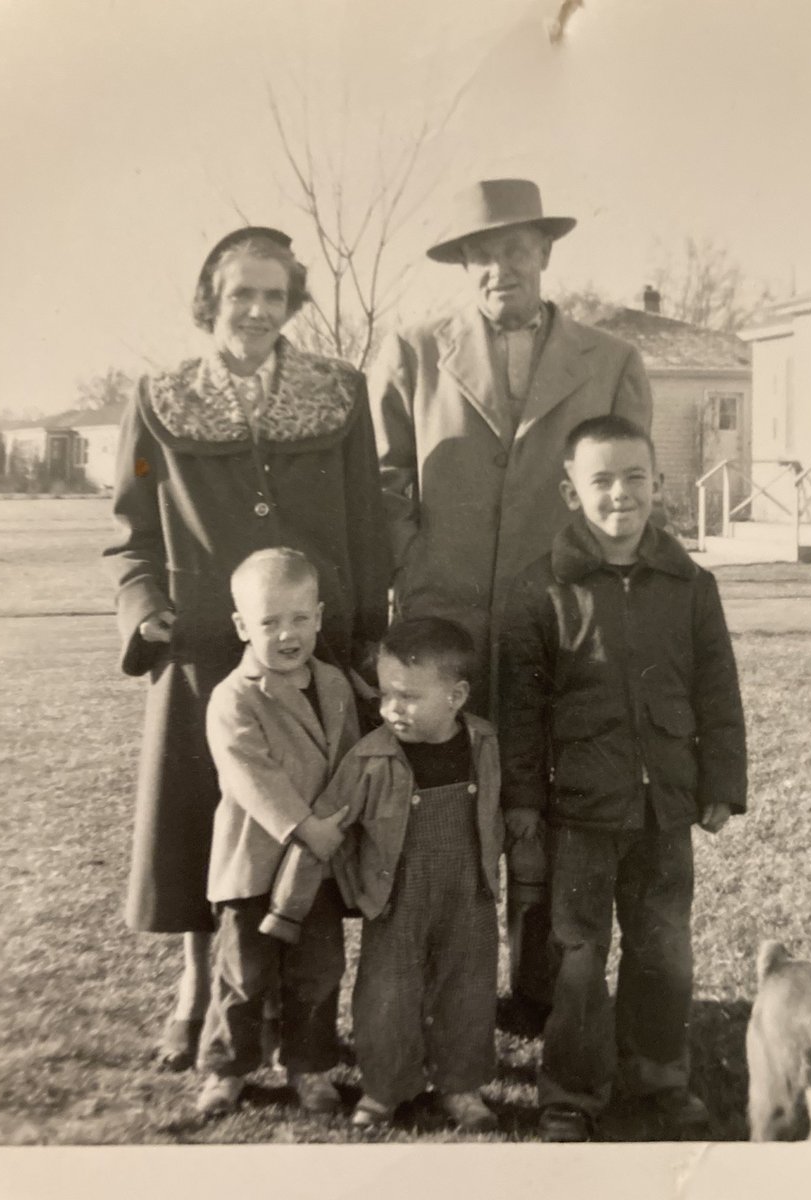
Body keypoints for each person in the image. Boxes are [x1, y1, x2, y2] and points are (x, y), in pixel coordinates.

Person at [369, 177, 653, 1028]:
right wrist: (417, 566)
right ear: (465, 265)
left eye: (517, 250)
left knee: (549, 798)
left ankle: (538, 988)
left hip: (564, 626)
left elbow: (631, 494)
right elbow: (381, 481)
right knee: (440, 805)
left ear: (547, 254)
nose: (502, 268)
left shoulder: (611, 360)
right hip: (441, 624)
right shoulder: (413, 351)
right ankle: (433, 985)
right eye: (483, 254)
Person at [103, 227, 389, 1071]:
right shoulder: (160, 398)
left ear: (292, 302)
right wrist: (144, 607)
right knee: (202, 830)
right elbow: (129, 533)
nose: (258, 311)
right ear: (209, 303)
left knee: (307, 819)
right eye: (240, 296)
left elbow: (367, 521)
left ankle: (297, 1007)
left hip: (313, 649)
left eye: (274, 295)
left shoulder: (337, 393)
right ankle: (197, 993)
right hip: (202, 648)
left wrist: (366, 631)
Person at [498, 414, 747, 1142]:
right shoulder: (540, 588)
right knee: (577, 954)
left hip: (667, 806)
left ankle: (659, 1076)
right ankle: (571, 1091)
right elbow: (520, 709)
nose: (620, 495)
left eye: (634, 477)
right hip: (580, 811)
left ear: (658, 485)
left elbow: (718, 690)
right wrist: (523, 803)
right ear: (572, 492)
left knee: (664, 945)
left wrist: (720, 782)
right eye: (600, 480)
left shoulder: (690, 582)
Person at [264, 617, 504, 1132]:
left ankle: (460, 1088)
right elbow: (321, 832)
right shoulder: (371, 758)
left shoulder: (485, 745)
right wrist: (288, 908)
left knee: (467, 991)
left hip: (470, 897)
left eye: (409, 697)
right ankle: (384, 1089)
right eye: (385, 695)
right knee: (386, 996)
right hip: (395, 902)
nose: (392, 708)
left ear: (456, 696)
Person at [194, 548, 359, 1116]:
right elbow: (249, 774)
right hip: (254, 861)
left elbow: (353, 762)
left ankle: (309, 1066)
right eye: (268, 622)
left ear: (318, 616)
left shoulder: (336, 685)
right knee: (243, 972)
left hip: (317, 869)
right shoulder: (233, 696)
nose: (286, 634)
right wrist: (305, 826)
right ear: (242, 626)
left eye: (298, 619)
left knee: (318, 971)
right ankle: (227, 1069)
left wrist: (337, 826)